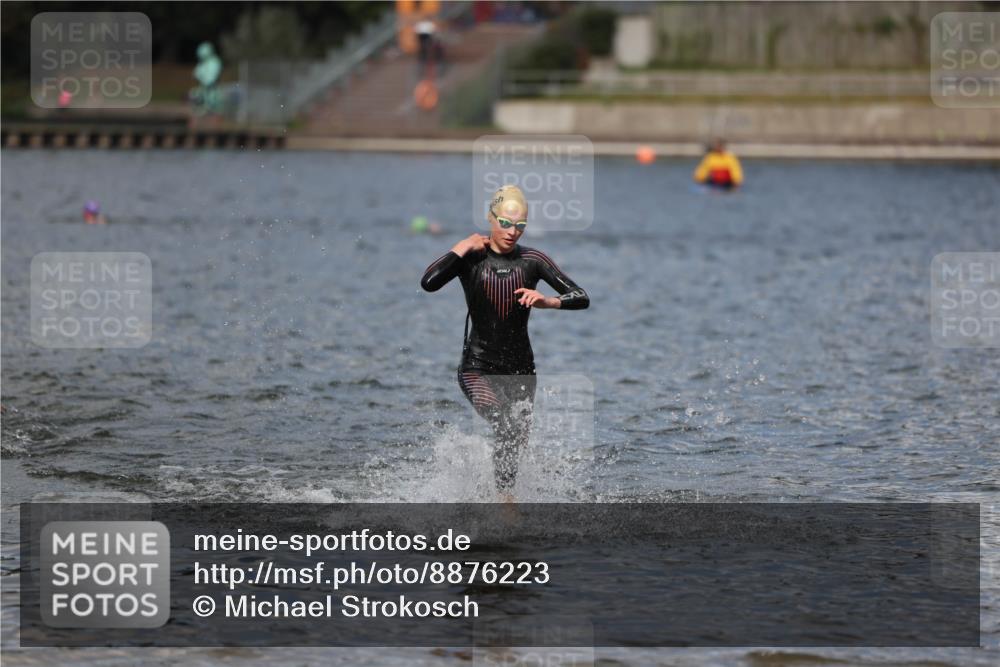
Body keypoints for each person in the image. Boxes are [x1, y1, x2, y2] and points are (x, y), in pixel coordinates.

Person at [420, 185, 589, 501]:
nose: (513, 232)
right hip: (477, 368)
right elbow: (428, 283)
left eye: (520, 226)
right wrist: (462, 245)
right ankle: (504, 505)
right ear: (490, 218)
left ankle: (499, 498)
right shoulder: (471, 258)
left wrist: (547, 302)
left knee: (515, 440)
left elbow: (581, 297)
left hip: (522, 370)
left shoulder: (533, 260)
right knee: (505, 426)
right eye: (506, 223)